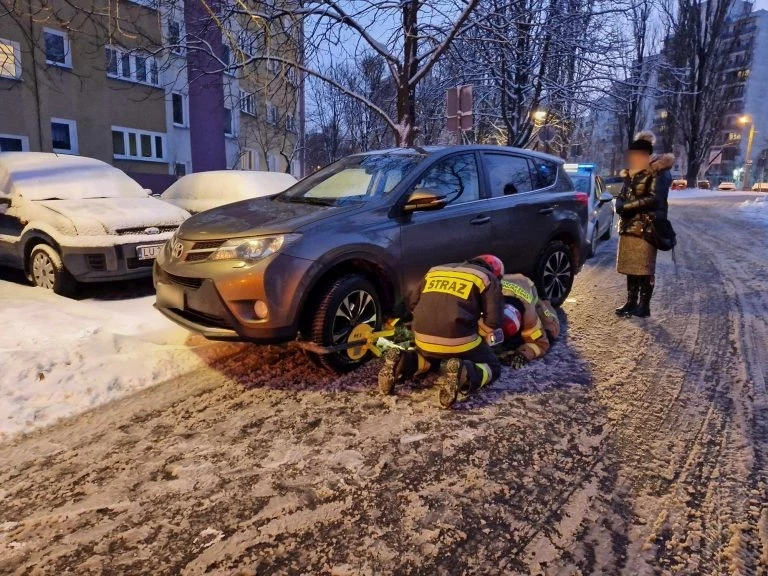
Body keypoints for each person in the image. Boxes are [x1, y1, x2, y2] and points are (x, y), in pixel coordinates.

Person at [378, 254, 504, 408]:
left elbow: (412, 303)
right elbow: (493, 322)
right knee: (492, 366)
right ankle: (464, 372)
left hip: (423, 337)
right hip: (459, 341)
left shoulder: (435, 270)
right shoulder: (487, 278)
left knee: (430, 359)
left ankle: (402, 361)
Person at [615, 132, 674, 318]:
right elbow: (624, 194)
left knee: (644, 268)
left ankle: (644, 305)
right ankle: (631, 302)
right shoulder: (631, 173)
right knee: (630, 267)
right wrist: (619, 203)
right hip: (629, 225)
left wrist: (626, 207)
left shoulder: (658, 171)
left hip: (647, 226)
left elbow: (654, 198)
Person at [496, 274, 560, 368]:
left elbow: (541, 345)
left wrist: (524, 354)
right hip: (507, 281)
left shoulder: (530, 320)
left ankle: (545, 302)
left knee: (551, 329)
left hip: (526, 285)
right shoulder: (488, 303)